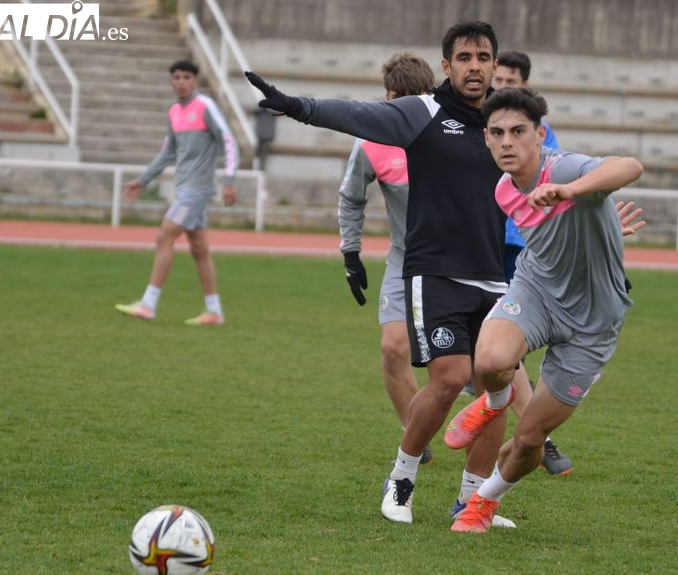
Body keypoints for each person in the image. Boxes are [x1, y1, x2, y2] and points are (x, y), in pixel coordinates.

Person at [247, 21, 517, 528]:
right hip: (433, 273)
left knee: (494, 387)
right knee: (450, 378)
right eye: (464, 57)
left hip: (493, 276)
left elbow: (545, 170)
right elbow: (357, 114)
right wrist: (298, 106)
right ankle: (402, 478)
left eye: (483, 57)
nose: (475, 66)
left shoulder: (506, 119)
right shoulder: (422, 113)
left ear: (494, 64)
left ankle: (473, 500)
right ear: (447, 66)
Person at [445, 87, 644, 533]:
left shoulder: (565, 167)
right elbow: (552, 238)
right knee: (491, 361)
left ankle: (484, 500)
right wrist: (604, 229)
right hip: (538, 291)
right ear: (486, 140)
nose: (506, 142)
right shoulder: (503, 189)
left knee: (530, 439)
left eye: (518, 132)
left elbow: (630, 166)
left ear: (540, 135)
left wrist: (571, 191)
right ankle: (494, 402)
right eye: (496, 133)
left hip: (593, 322)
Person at [338, 53, 434, 462]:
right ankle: (416, 440)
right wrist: (351, 250)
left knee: (471, 369)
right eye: (391, 100)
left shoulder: (451, 133)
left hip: (458, 263)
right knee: (394, 349)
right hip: (404, 259)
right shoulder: (372, 141)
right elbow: (351, 197)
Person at [491, 50, 573, 476]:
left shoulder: (541, 135)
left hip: (528, 251)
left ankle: (536, 434)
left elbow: (555, 184)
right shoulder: (484, 129)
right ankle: (534, 435)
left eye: (511, 81)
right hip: (484, 250)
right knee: (497, 355)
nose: (502, 85)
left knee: (514, 353)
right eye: (497, 79)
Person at [116, 60, 238, 326]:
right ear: (171, 82)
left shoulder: (205, 106)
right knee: (199, 249)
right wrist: (143, 180)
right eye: (176, 77)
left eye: (186, 77)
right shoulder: (174, 112)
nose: (181, 82)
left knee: (164, 236)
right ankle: (214, 311)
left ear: (195, 81)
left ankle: (148, 304)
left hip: (198, 189)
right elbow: (167, 152)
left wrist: (229, 180)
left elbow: (228, 140)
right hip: (184, 188)